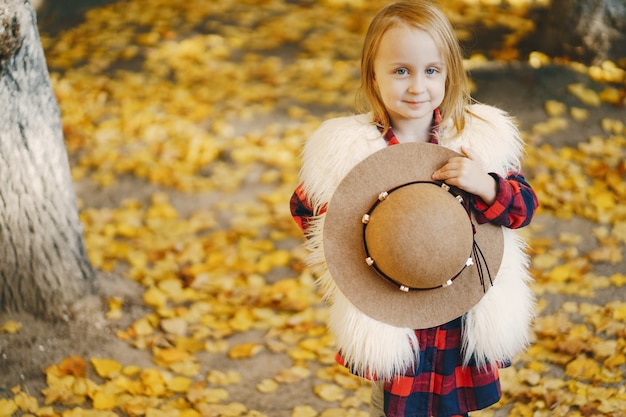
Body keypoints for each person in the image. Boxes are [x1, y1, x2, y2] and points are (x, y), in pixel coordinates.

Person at [290, 1, 539, 416]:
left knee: (455, 407)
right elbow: (306, 208)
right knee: (393, 406)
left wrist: (487, 186)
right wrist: (360, 223)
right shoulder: (351, 152)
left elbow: (523, 209)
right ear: (374, 74)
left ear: (449, 74)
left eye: (431, 71)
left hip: (461, 310)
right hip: (394, 309)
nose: (416, 86)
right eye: (400, 70)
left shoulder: (477, 141)